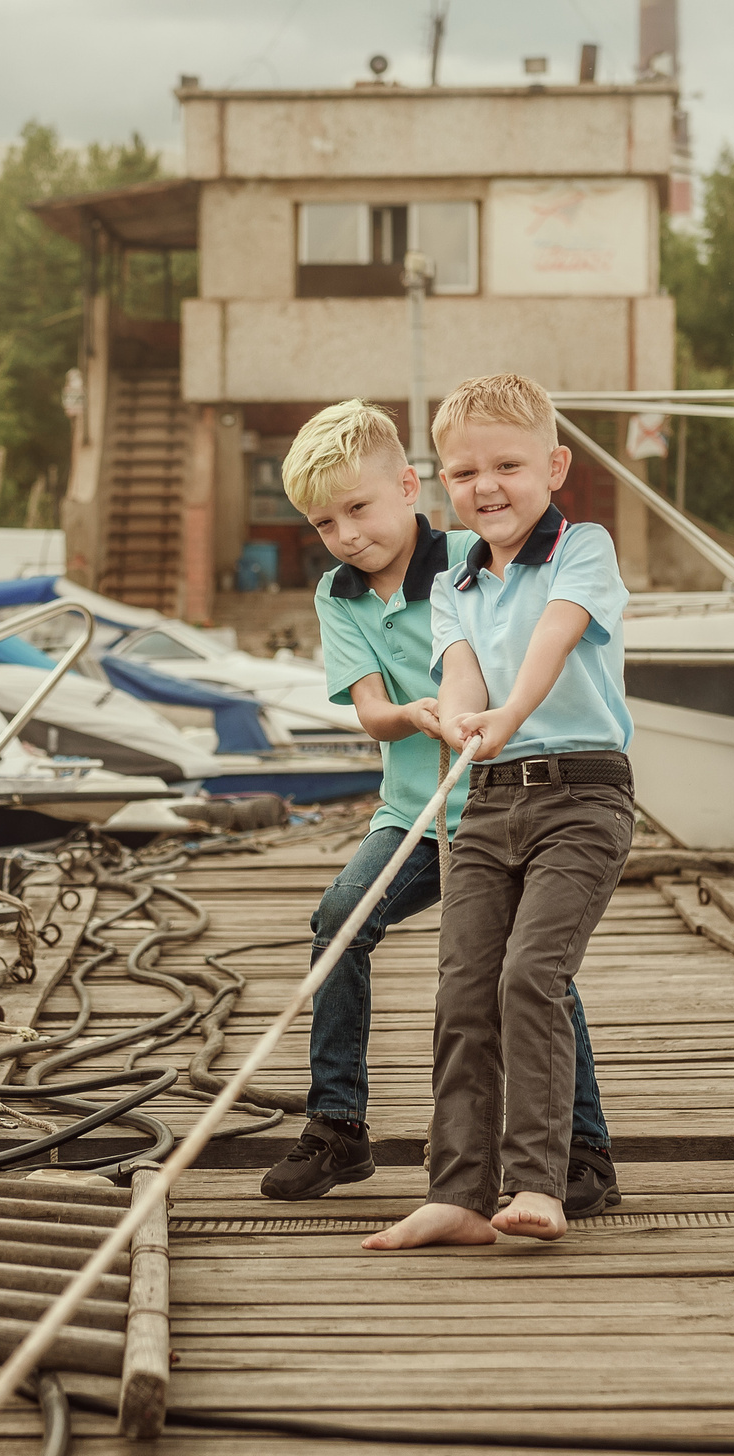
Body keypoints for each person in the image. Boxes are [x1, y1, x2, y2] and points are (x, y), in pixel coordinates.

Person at [258, 397, 620, 1213]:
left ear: (408, 488)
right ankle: (337, 1123)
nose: (348, 534)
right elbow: (372, 711)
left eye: (359, 509)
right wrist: (417, 714)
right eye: (326, 523)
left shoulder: (471, 552)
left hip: (501, 801)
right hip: (415, 815)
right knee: (340, 921)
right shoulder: (340, 593)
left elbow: (525, 634)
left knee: (535, 968)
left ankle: (584, 1144)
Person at [363, 373, 636, 1251]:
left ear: (554, 466)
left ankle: (537, 1182)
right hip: (484, 804)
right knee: (463, 991)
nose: (486, 486)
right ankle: (458, 1192)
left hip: (581, 797)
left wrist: (509, 715)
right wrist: (458, 716)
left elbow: (556, 636)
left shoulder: (582, 548)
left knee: (531, 975)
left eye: (508, 465)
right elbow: (460, 676)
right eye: (465, 471)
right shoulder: (453, 579)